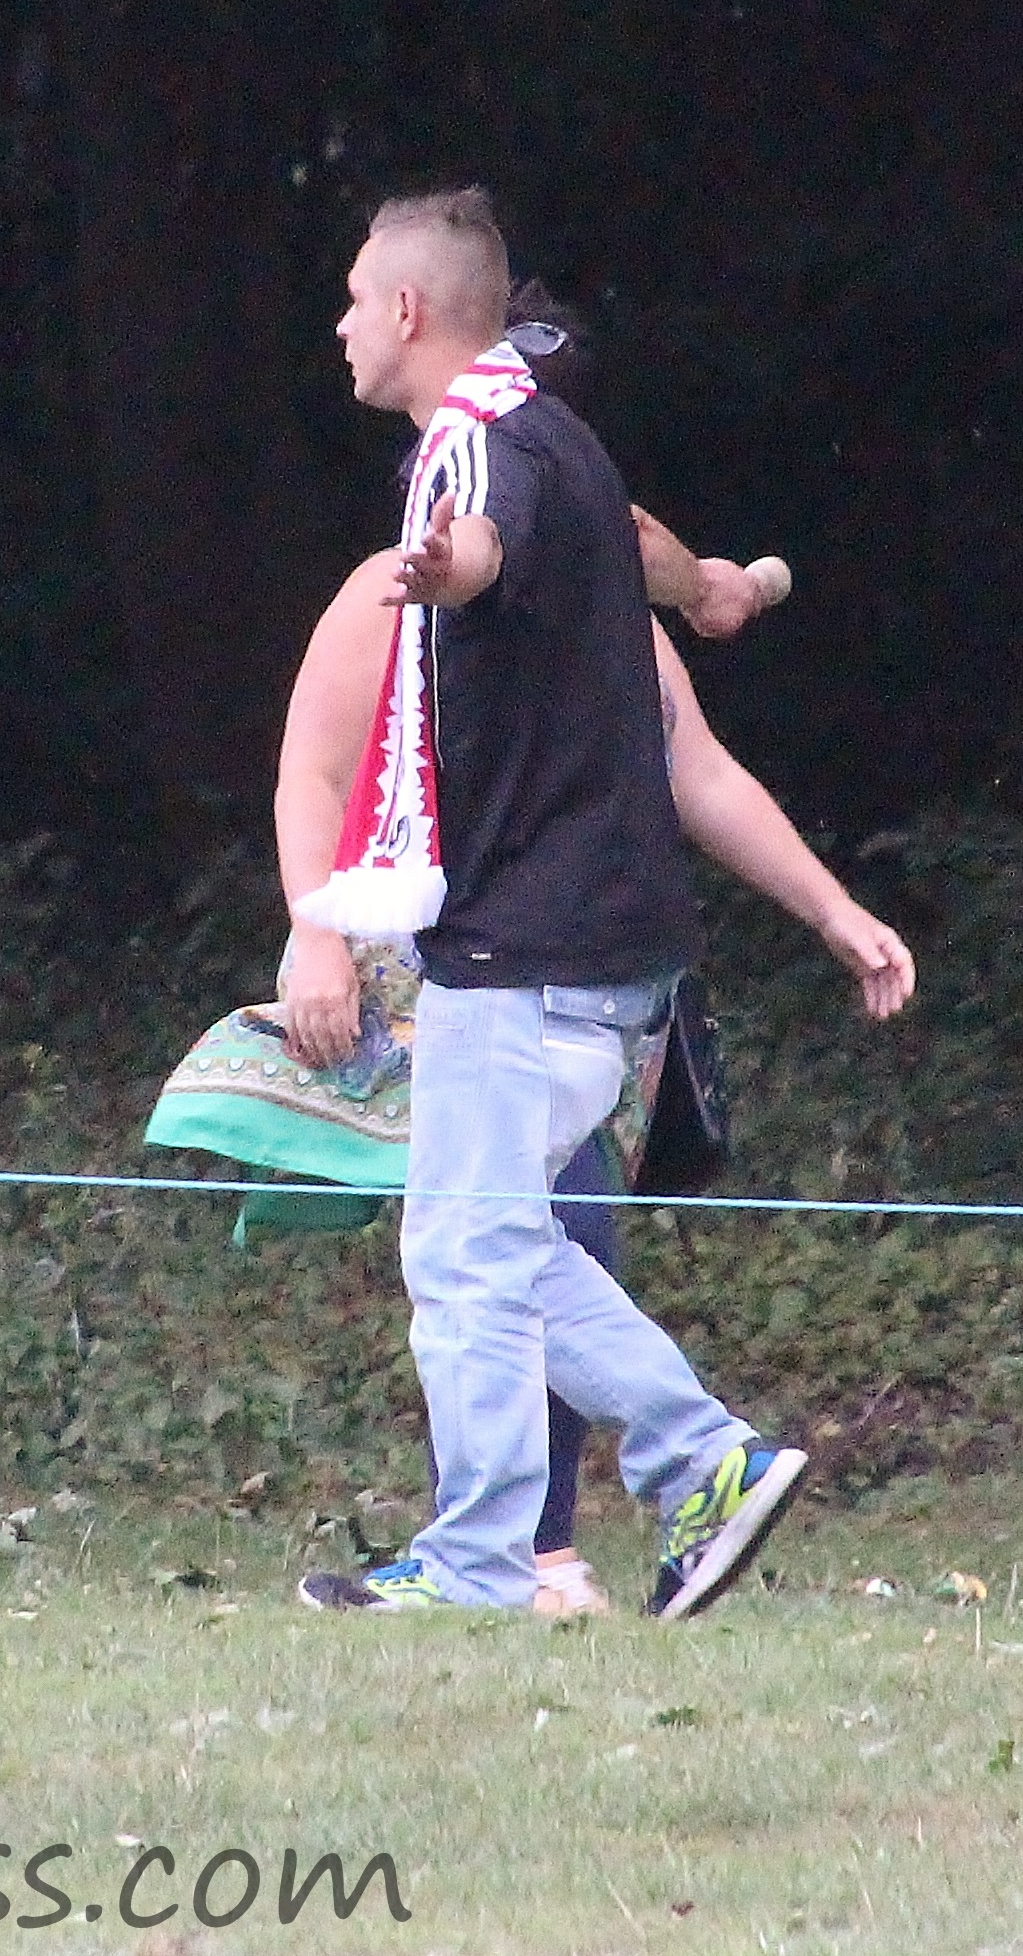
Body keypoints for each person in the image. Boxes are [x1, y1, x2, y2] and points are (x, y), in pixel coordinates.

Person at [293, 186, 896, 1618]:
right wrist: (708, 589)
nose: (340, 326)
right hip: (603, 953)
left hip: (524, 948)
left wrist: (446, 567)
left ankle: (524, 1539)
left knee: (466, 1253)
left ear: (408, 312)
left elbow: (483, 543)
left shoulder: (480, 450)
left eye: (354, 300)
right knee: (493, 1242)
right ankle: (671, 1477)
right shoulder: (553, 435)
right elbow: (623, 546)